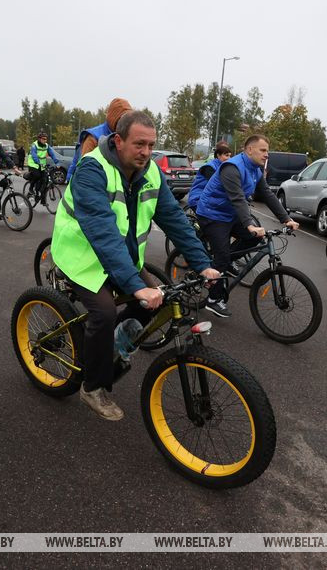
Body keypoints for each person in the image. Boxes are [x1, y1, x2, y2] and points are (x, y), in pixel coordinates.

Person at [51, 111, 220, 421]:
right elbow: (102, 231)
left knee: (157, 302)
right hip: (82, 255)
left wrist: (202, 263)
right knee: (103, 313)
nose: (146, 152)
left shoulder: (151, 172)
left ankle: (111, 348)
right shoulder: (92, 169)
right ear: (118, 141)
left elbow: (174, 219)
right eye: (139, 144)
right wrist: (136, 285)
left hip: (122, 255)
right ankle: (92, 387)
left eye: (151, 145)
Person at [196, 134, 299, 318]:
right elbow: (237, 198)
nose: (267, 154)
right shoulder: (232, 167)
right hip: (212, 214)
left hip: (229, 214)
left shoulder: (256, 170)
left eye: (267, 151)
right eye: (263, 150)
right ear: (250, 150)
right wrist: (250, 224)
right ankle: (213, 299)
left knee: (255, 238)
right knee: (222, 256)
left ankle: (224, 263)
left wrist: (286, 219)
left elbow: (267, 194)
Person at [65, 97, 133, 182]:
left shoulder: (123, 136)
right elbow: (84, 169)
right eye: (122, 119)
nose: (126, 124)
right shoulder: (93, 137)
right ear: (114, 118)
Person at [187, 141, 232, 211]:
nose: (229, 158)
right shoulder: (209, 167)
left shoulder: (223, 167)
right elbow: (219, 184)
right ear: (218, 154)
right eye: (226, 154)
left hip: (210, 199)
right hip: (198, 199)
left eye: (229, 155)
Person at [26, 132, 59, 199]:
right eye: (43, 139)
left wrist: (57, 163)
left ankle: (42, 199)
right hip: (33, 164)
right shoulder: (34, 145)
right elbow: (34, 155)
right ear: (39, 139)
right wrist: (38, 162)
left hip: (41, 165)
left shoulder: (47, 146)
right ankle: (31, 189)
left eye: (46, 139)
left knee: (45, 180)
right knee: (37, 175)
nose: (45, 140)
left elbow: (52, 154)